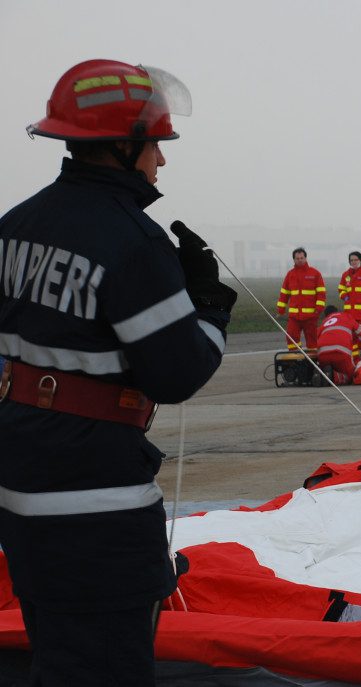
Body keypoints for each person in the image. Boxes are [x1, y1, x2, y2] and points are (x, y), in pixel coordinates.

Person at [0, 59, 236, 685]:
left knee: (59, 660)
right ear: (124, 143)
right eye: (156, 144)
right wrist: (210, 311)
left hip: (22, 498)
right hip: (99, 509)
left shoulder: (13, 227)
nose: (162, 161)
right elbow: (177, 375)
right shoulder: (133, 242)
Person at [277, 247, 326, 350]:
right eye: (297, 258)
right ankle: (295, 359)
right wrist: (281, 309)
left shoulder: (315, 274)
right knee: (291, 337)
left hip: (311, 316)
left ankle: (312, 363)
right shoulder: (290, 275)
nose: (300, 260)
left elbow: (321, 293)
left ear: (306, 258)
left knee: (312, 342)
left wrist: (319, 309)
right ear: (294, 260)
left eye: (302, 258)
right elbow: (284, 293)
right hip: (294, 316)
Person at [315, 306, 361, 385]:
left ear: (326, 316)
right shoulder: (346, 316)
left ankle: (321, 373)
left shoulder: (324, 323)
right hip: (341, 354)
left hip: (323, 355)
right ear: (337, 311)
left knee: (327, 364)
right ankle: (333, 376)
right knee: (352, 376)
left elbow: (315, 339)